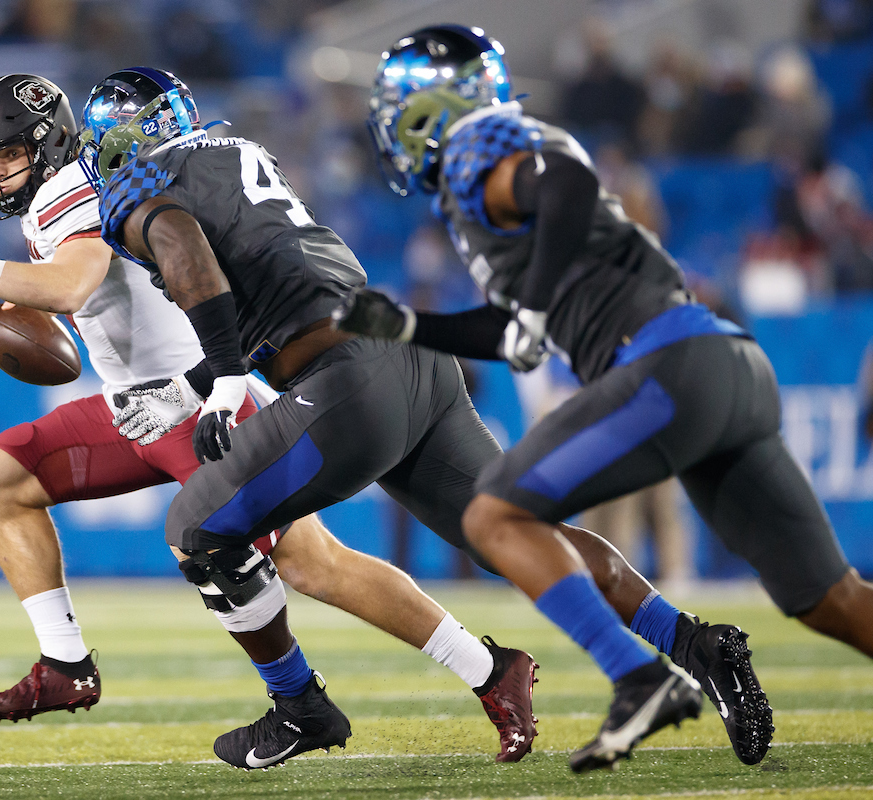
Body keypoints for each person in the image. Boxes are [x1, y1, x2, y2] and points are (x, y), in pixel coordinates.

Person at [82, 64, 756, 776]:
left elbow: (188, 254)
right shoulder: (237, 154)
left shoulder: (145, 187)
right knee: (520, 536)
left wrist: (221, 378)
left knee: (197, 529)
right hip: (410, 360)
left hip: (346, 381)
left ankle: (299, 704)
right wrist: (195, 383)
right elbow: (277, 291)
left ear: (119, 139)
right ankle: (693, 643)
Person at [0, 73, 541, 766]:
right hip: (138, 407)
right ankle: (65, 664)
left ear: (47, 143)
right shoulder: (66, 192)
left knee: (313, 566)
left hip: (193, 405)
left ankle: (461, 675)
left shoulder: (69, 190)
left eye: (7, 155)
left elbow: (73, 283)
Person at [336, 23, 873, 769]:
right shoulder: (488, 178)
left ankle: (639, 677)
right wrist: (409, 325)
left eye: (400, 106)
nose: (393, 126)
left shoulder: (476, 143)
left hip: (666, 363)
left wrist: (533, 306)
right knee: (831, 601)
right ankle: (689, 654)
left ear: (437, 103)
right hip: (723, 367)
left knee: (492, 515)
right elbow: (517, 329)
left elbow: (568, 182)